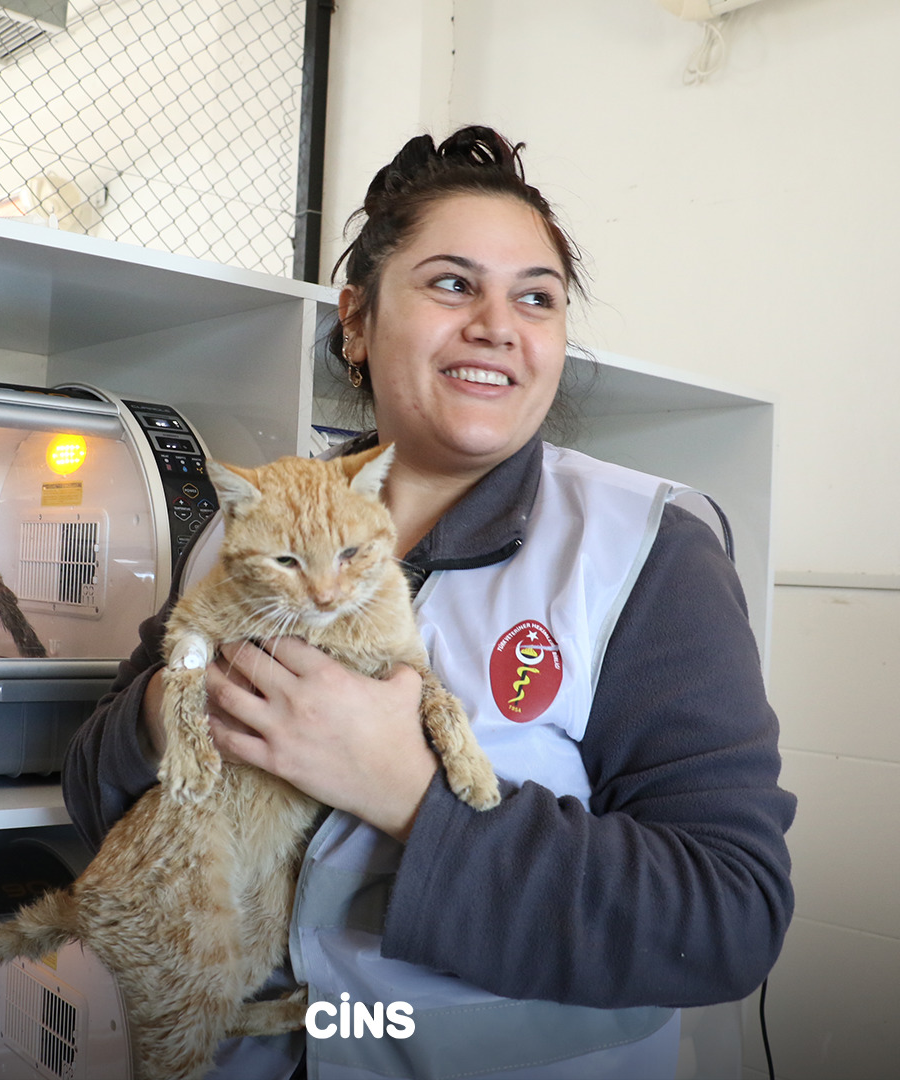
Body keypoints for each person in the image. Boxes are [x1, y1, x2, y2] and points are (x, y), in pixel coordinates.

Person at [63, 126, 796, 1079]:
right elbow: (93, 789)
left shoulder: (646, 554)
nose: (498, 323)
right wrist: (176, 707)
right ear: (356, 321)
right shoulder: (252, 525)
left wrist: (409, 790)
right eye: (453, 284)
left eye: (535, 297)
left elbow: (728, 915)